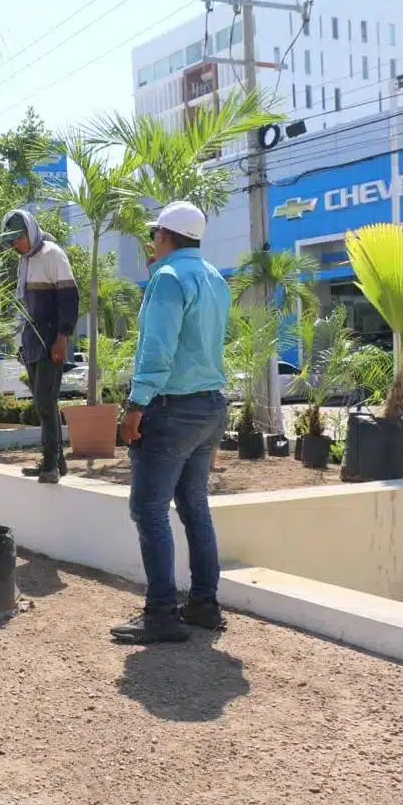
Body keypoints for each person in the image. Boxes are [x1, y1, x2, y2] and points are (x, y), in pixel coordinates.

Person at [112, 201, 232, 644]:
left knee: (148, 509)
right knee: (195, 508)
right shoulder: (214, 277)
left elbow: (157, 351)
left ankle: (161, 613)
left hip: (171, 407)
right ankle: (204, 604)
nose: (151, 242)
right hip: (209, 407)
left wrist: (135, 406)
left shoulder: (167, 279)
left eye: (154, 235)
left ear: (164, 236)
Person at [0, 209, 80, 484]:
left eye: (18, 238)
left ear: (30, 232)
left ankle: (50, 465)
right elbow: (24, 308)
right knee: (41, 403)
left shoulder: (52, 254)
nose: (15, 245)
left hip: (50, 341)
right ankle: (56, 461)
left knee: (46, 402)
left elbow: (69, 298)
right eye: (11, 241)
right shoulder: (25, 262)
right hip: (32, 341)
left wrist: (63, 337)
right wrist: (20, 343)